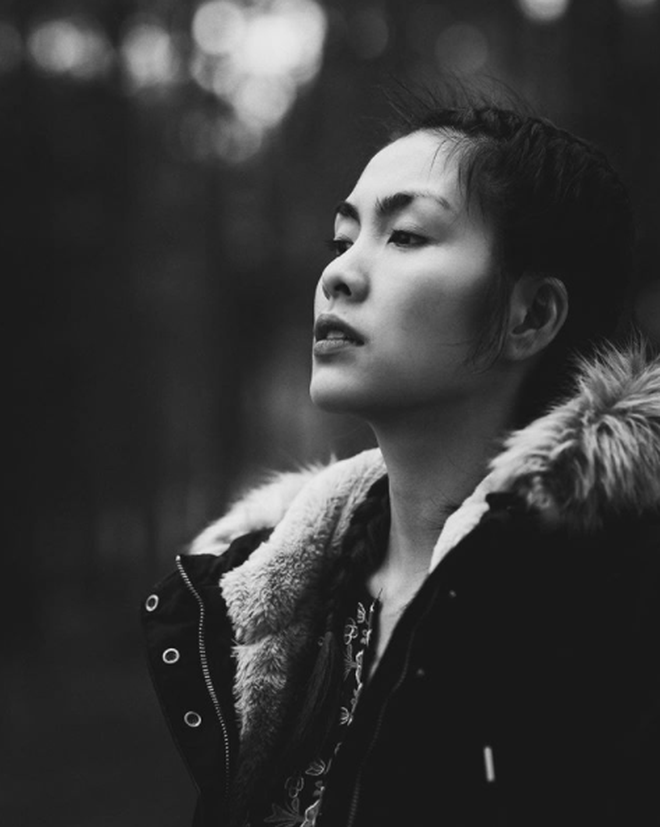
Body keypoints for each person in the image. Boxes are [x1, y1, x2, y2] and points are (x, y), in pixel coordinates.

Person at [142, 90, 660, 827]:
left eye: (407, 236)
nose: (339, 275)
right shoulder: (278, 605)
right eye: (342, 239)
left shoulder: (617, 614)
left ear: (533, 314)